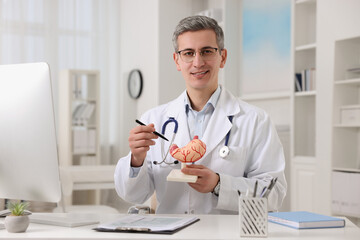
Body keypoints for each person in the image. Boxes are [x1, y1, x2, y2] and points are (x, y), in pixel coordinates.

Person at [114, 15, 287, 214]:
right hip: (172, 232)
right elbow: (131, 194)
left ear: (222, 57)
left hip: (226, 234)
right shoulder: (155, 120)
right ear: (177, 60)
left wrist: (220, 185)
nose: (198, 62)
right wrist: (136, 159)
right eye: (188, 53)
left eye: (206, 51)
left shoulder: (256, 120)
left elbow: (274, 194)